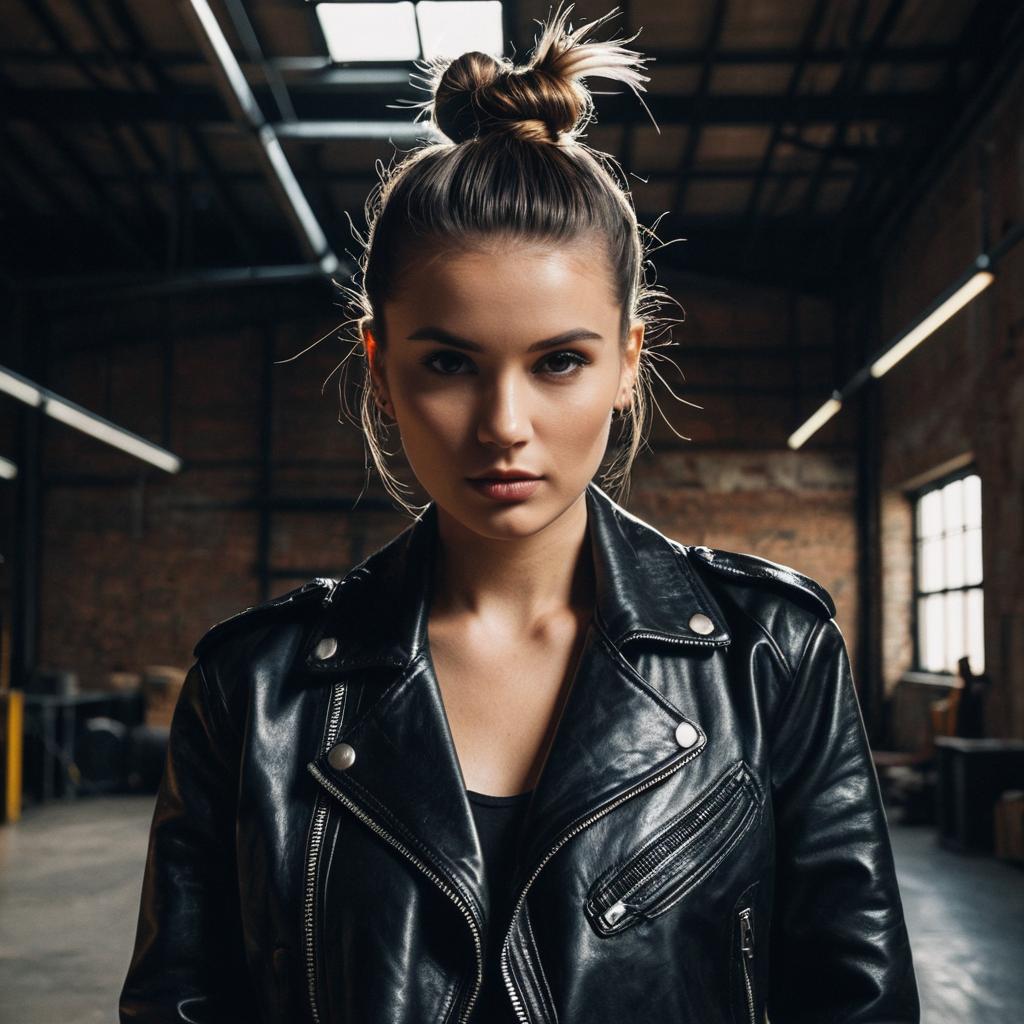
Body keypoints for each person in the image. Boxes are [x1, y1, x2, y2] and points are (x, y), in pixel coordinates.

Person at [119, 4, 920, 1022]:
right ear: (379, 370)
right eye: (449, 362)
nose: (504, 424)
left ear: (627, 365)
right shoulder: (254, 689)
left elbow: (858, 1003)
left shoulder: (770, 658)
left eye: (559, 362)